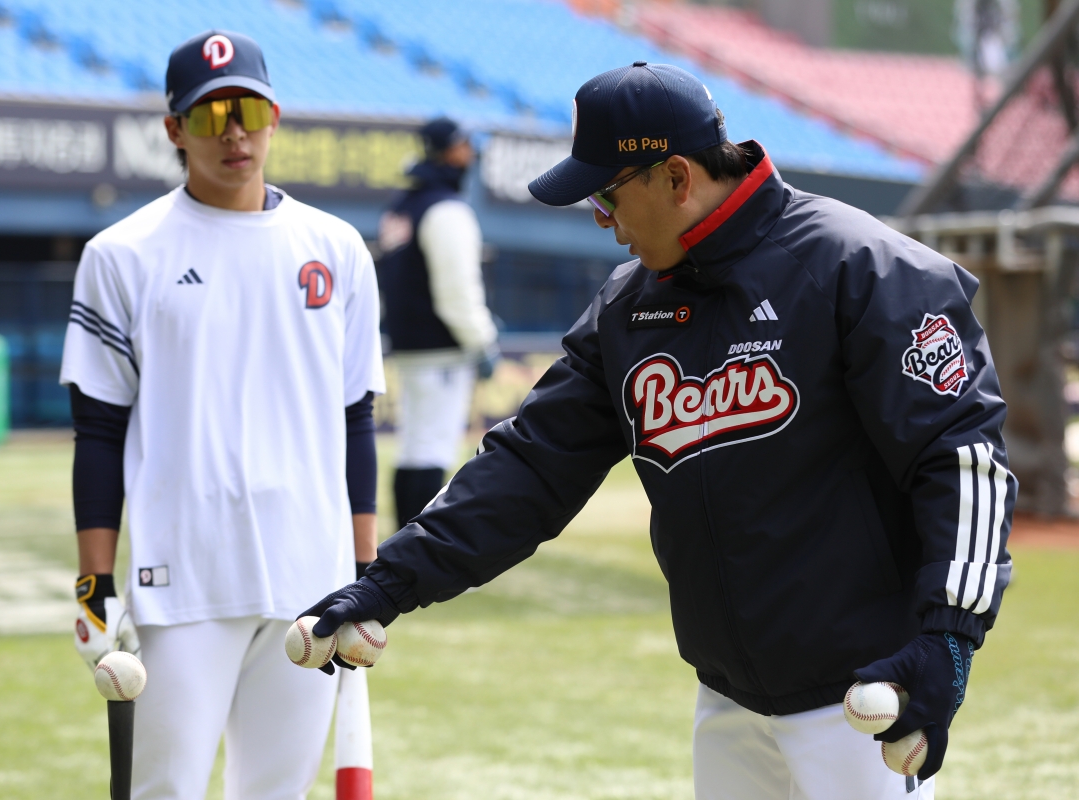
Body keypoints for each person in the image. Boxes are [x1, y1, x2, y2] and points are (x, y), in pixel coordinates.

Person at [300, 62, 1017, 799]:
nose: (600, 218)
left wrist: (947, 641)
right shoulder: (627, 307)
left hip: (862, 705)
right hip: (728, 698)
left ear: (676, 177)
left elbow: (962, 458)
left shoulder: (861, 267)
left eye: (608, 193)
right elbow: (529, 467)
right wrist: (387, 583)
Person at [60, 30, 384, 800]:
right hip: (182, 581)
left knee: (275, 792)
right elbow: (99, 433)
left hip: (311, 580)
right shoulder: (122, 254)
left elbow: (357, 419)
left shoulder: (336, 250)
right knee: (162, 790)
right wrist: (93, 588)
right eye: (209, 116)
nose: (232, 132)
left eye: (247, 110)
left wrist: (370, 575)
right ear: (174, 130)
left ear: (275, 116)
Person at [376, 117, 500, 527]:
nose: (471, 154)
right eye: (465, 145)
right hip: (441, 347)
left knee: (414, 445)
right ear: (450, 149)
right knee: (431, 447)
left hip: (408, 344)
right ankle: (416, 555)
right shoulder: (445, 209)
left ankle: (398, 546)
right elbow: (457, 293)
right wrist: (482, 341)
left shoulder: (403, 205)